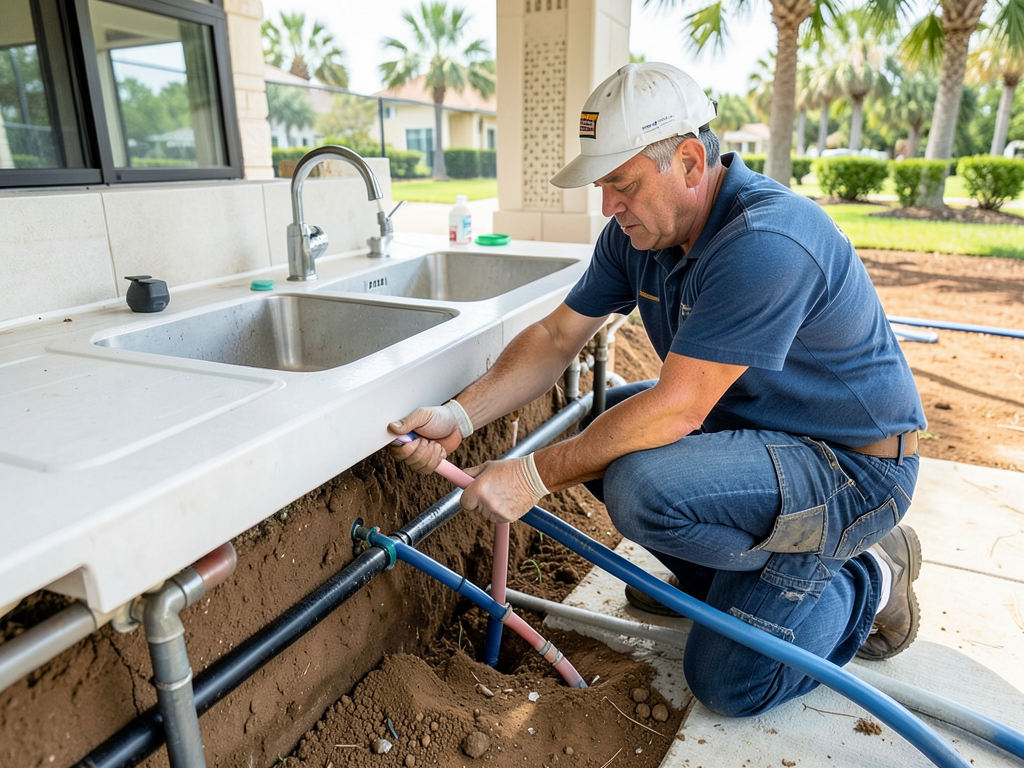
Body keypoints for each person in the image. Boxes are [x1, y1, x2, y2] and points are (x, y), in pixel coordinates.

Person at [388, 62, 927, 716]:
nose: (609, 206)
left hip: (851, 469)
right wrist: (459, 414)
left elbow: (677, 410)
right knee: (613, 420)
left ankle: (866, 575)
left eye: (624, 184)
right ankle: (737, 584)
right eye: (604, 186)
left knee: (725, 675)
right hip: (766, 441)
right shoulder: (640, 236)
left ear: (692, 163)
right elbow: (559, 337)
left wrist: (530, 475)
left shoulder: (765, 240)